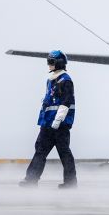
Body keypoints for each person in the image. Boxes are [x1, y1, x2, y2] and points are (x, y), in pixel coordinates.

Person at [19, 50, 78, 189]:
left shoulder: (66, 80)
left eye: (51, 62)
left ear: (58, 63)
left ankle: (70, 183)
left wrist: (58, 120)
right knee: (40, 151)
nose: (49, 65)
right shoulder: (51, 80)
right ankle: (31, 180)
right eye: (48, 62)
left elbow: (66, 102)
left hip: (60, 126)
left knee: (64, 153)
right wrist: (44, 121)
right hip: (47, 124)